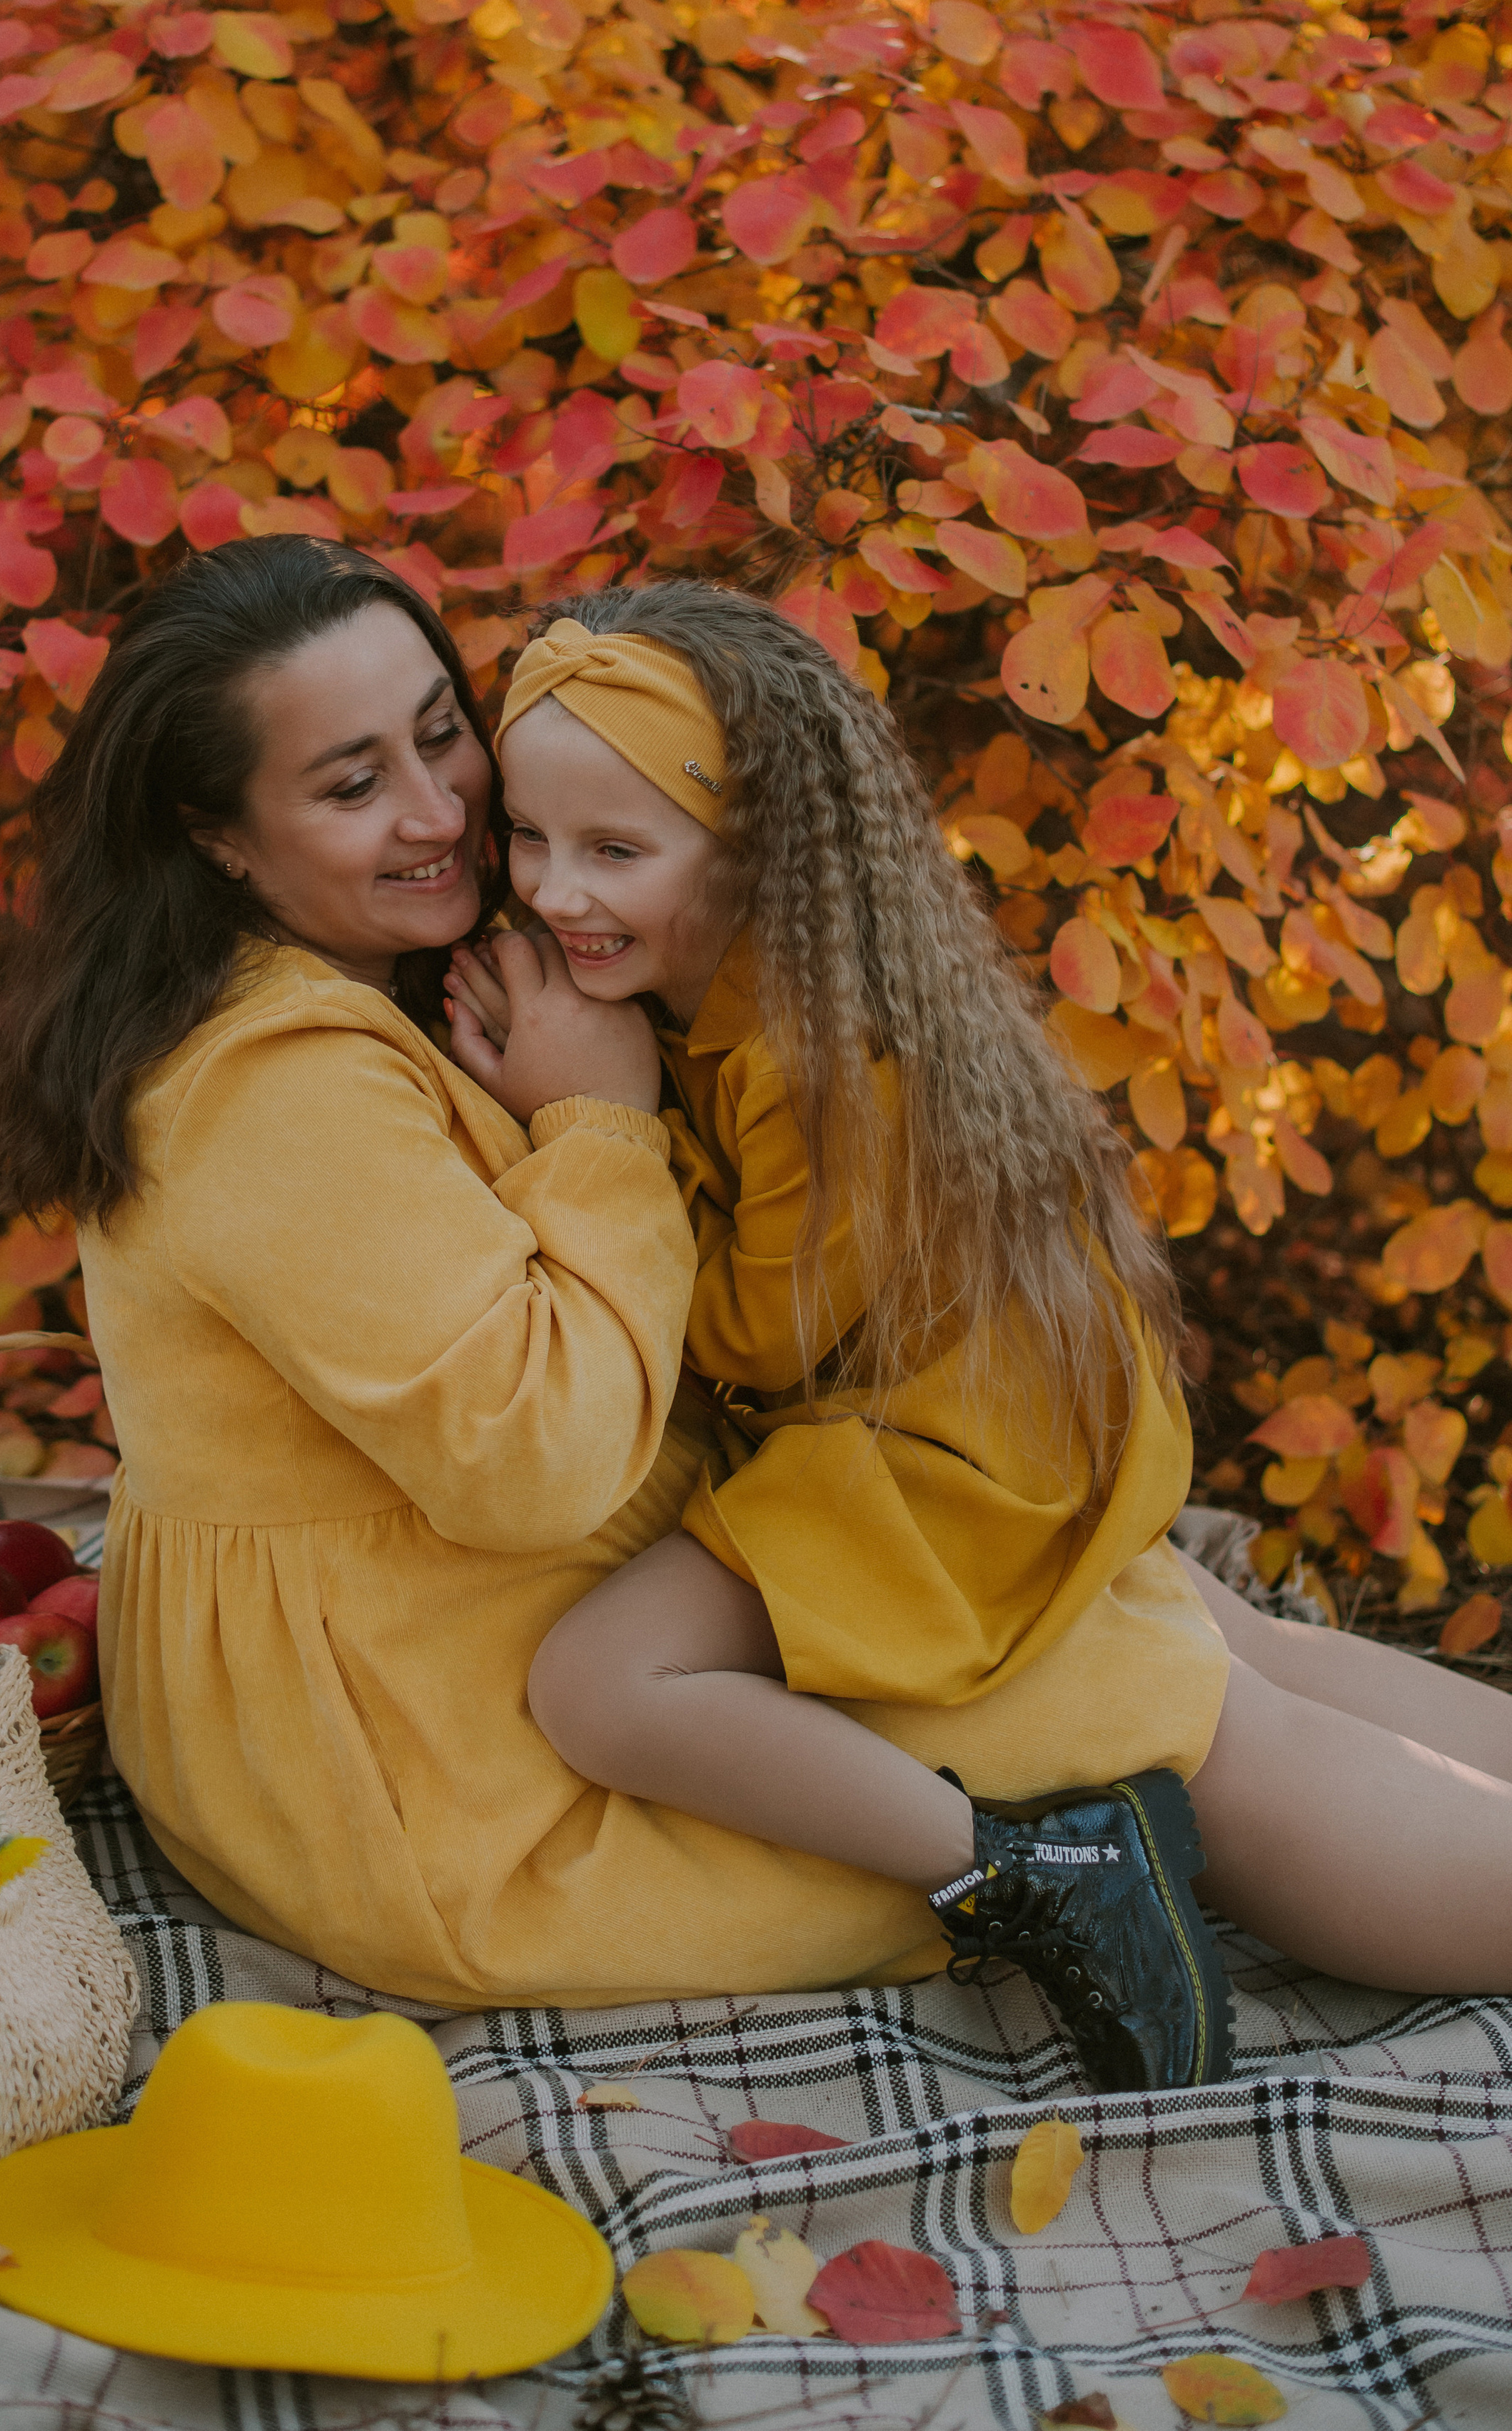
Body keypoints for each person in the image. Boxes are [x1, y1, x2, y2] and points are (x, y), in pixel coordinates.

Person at [445, 585, 1512, 2084]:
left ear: (757, 850)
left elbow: (756, 1337)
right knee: (1236, 1643)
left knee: (603, 1683)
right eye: (528, 839)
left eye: (613, 850)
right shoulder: (762, 978)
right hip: (997, 1404)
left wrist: (596, 1112)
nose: (553, 892)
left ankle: (1031, 1872)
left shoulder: (815, 1054)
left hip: (934, 1453)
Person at [0, 536, 1052, 2010]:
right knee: (1138, 1702)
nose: (438, 813)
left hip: (452, 1636)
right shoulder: (266, 1083)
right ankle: (1080, 1875)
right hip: (438, 1767)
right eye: (351, 786)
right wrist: (597, 1117)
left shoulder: (351, 966)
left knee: (1134, 1620)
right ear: (215, 832)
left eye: (438, 735)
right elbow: (534, 1457)